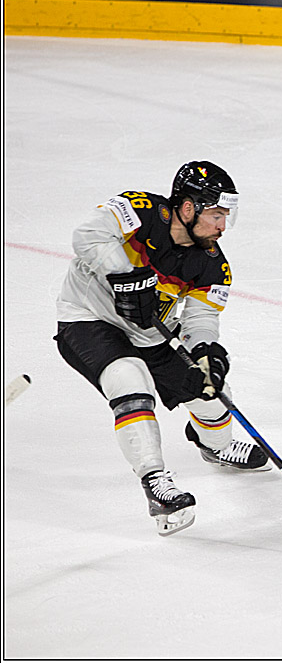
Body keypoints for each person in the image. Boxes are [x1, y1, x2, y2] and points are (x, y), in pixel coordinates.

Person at [54, 161, 269, 536]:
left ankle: (215, 445)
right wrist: (126, 275)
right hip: (87, 317)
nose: (222, 227)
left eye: (225, 217)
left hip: (150, 331)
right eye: (216, 215)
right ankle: (156, 484)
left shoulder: (213, 265)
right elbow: (87, 234)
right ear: (188, 208)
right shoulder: (139, 209)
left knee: (211, 391)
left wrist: (205, 351)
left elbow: (201, 318)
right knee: (128, 378)